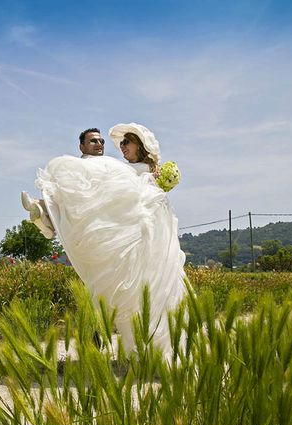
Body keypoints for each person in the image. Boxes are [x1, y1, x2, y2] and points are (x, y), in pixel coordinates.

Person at [34, 123, 187, 361]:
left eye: (127, 142)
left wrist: (153, 182)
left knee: (141, 294)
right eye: (122, 143)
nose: (122, 147)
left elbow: (142, 204)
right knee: (123, 294)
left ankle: (49, 215)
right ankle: (48, 212)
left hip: (144, 242)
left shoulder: (144, 171)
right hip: (128, 239)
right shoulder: (123, 169)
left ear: (140, 146)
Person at [22, 127, 105, 238]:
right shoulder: (79, 166)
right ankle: (43, 212)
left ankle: (43, 213)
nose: (99, 144)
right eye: (93, 141)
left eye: (101, 141)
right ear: (82, 147)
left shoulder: (109, 165)